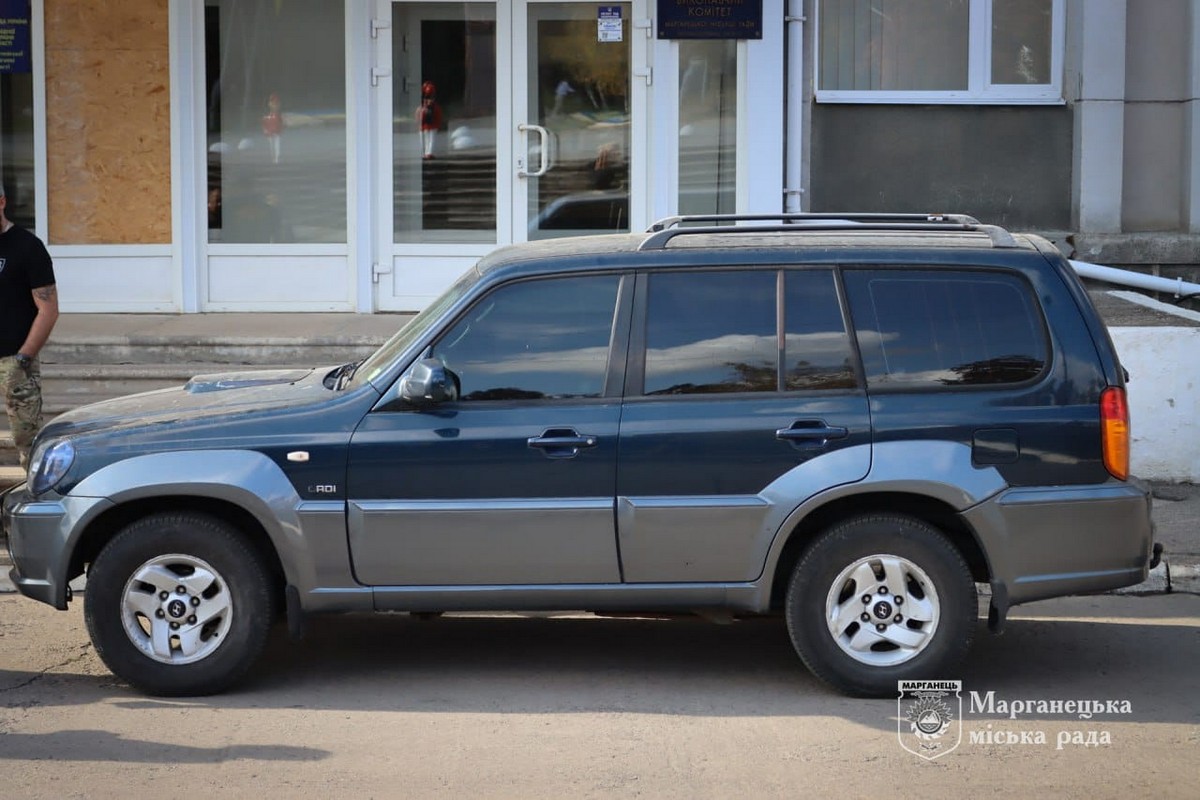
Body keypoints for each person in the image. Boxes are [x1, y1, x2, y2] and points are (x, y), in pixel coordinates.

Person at [0, 184, 58, 470]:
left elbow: (48, 310)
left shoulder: (27, 246)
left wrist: (24, 357)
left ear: (2, 202)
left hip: (14, 359)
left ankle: (35, 498)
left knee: (28, 440)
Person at [415, 81, 443, 159]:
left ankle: (427, 152)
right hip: (429, 125)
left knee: (427, 139)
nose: (429, 100)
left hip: (426, 126)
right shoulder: (433, 107)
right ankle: (428, 152)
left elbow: (418, 117)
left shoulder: (422, 108)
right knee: (429, 139)